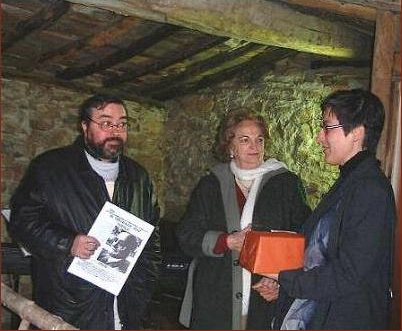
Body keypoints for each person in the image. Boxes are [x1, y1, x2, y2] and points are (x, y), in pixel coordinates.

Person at [8, 94, 161, 330]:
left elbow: (152, 240)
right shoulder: (50, 168)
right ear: (84, 126)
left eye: (122, 124)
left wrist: (143, 289)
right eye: (105, 122)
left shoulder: (139, 177)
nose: (115, 130)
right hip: (68, 305)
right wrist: (67, 243)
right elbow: (22, 222)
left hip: (125, 305)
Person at [264, 89, 396, 330]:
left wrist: (286, 277)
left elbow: (350, 273)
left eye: (327, 128)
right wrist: (283, 282)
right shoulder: (351, 181)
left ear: (357, 133)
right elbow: (321, 253)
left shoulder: (369, 189)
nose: (319, 138)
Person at [176, 109, 311, 330]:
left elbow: (303, 237)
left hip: (263, 297)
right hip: (216, 297)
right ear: (230, 147)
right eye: (245, 140)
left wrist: (280, 280)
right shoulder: (210, 185)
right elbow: (186, 235)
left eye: (259, 139)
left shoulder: (286, 184)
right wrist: (226, 241)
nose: (254, 146)